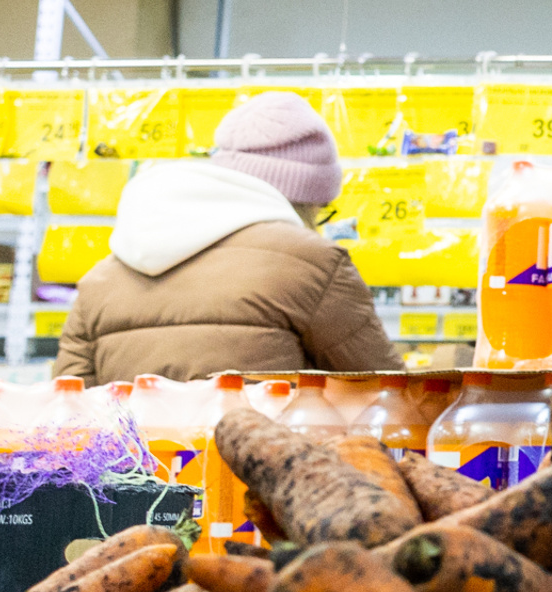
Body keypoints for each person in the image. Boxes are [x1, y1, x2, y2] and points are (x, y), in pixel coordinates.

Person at [55, 90, 401, 385]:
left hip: (132, 464)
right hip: (260, 462)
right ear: (304, 201)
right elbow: (384, 390)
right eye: (321, 210)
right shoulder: (315, 262)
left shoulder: (103, 275)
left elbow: (68, 407)